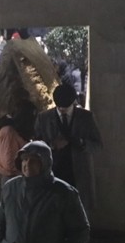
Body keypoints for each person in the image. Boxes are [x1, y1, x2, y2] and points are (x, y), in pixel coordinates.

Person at [34, 84, 102, 214]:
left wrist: (81, 143)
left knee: (77, 213)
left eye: (66, 107)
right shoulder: (44, 118)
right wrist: (52, 145)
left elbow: (98, 145)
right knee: (52, 212)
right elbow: (36, 146)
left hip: (78, 175)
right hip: (52, 173)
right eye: (59, 107)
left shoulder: (86, 117)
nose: (62, 109)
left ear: (73, 102)